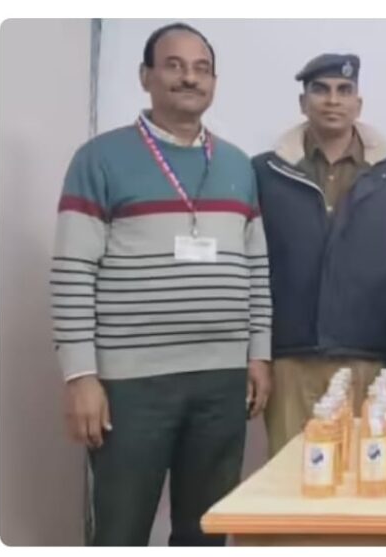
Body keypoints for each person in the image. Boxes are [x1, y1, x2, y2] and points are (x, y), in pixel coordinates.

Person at [50, 23, 271, 545]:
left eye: (201, 68)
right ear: (145, 76)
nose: (189, 77)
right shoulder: (100, 159)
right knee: (121, 532)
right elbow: (72, 271)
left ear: (213, 81)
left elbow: (257, 268)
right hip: (131, 385)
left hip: (220, 381)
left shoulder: (237, 164)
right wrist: (80, 376)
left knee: (205, 533)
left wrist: (259, 355)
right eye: (174, 65)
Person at [252, 53, 386, 455]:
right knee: (291, 475)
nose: (333, 100)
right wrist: (256, 355)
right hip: (289, 362)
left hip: (371, 363)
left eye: (344, 90)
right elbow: (249, 270)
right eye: (320, 90)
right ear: (303, 102)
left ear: (358, 103)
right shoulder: (266, 173)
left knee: (364, 473)